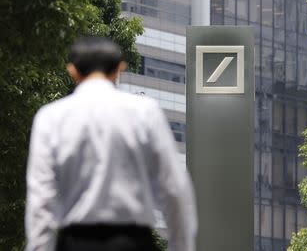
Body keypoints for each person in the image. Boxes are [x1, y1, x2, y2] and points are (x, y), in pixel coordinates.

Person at [25, 37, 197, 251]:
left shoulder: (50, 117)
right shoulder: (145, 112)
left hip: (76, 242)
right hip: (134, 242)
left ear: (73, 71)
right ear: (119, 69)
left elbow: (41, 199)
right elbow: (175, 189)